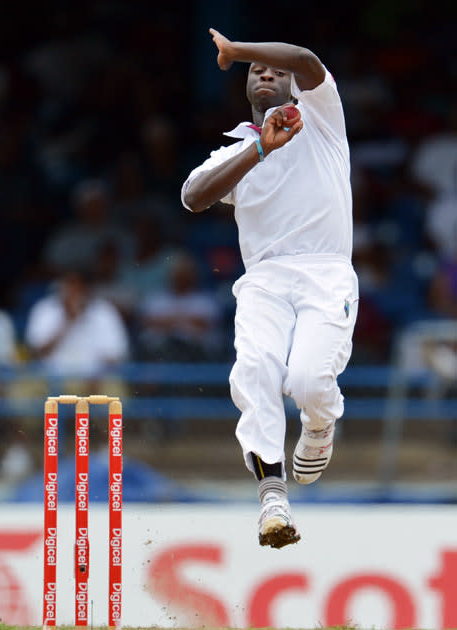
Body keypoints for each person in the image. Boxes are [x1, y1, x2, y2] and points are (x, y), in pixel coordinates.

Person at [182, 29, 358, 549]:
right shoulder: (238, 148)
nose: (266, 73)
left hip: (325, 273)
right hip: (263, 278)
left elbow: (305, 57)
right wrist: (260, 147)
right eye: (256, 71)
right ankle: (272, 497)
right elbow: (193, 197)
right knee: (255, 370)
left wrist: (238, 51)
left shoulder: (323, 120)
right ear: (246, 91)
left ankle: (321, 424)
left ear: (296, 87)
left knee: (306, 381)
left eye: (275, 70)